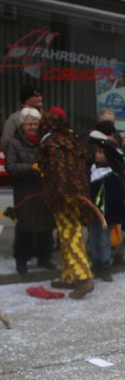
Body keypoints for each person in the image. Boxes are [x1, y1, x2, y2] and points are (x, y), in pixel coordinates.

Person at [37, 108, 96, 299]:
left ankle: (83, 277)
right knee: (67, 232)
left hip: (63, 195)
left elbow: (55, 171)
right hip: (76, 194)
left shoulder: (50, 143)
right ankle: (68, 276)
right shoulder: (72, 141)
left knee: (70, 234)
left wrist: (61, 192)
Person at [4, 107, 54, 277]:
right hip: (25, 192)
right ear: (22, 125)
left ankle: (44, 258)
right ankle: (21, 261)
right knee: (25, 228)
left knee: (46, 227)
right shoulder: (14, 143)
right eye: (30, 123)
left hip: (44, 190)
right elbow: (10, 166)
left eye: (35, 123)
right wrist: (31, 168)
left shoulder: (44, 141)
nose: (33, 127)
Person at [87, 132, 125, 282]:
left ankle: (105, 267)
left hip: (106, 213)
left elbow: (116, 196)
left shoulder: (112, 174)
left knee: (104, 240)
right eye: (96, 152)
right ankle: (96, 264)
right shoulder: (91, 170)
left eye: (101, 152)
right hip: (92, 211)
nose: (97, 155)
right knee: (93, 238)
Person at [2, 85, 43, 150]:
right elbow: (6, 143)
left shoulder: (45, 116)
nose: (40, 98)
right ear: (27, 99)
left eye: (40, 95)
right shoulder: (14, 119)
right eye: (36, 96)